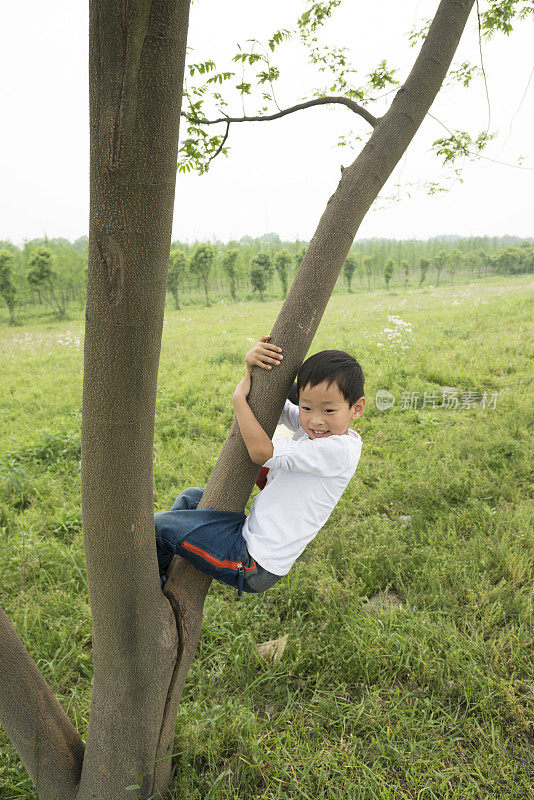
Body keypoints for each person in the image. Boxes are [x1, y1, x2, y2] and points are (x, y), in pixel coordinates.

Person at [154, 335, 365, 598]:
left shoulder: (337, 450)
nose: (316, 420)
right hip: (247, 533)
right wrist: (252, 367)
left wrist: (239, 402)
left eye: (329, 411)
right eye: (307, 407)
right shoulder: (317, 430)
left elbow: (260, 452)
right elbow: (272, 405)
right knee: (191, 498)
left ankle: (151, 588)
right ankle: (165, 567)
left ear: (356, 409)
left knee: (159, 525)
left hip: (253, 563)